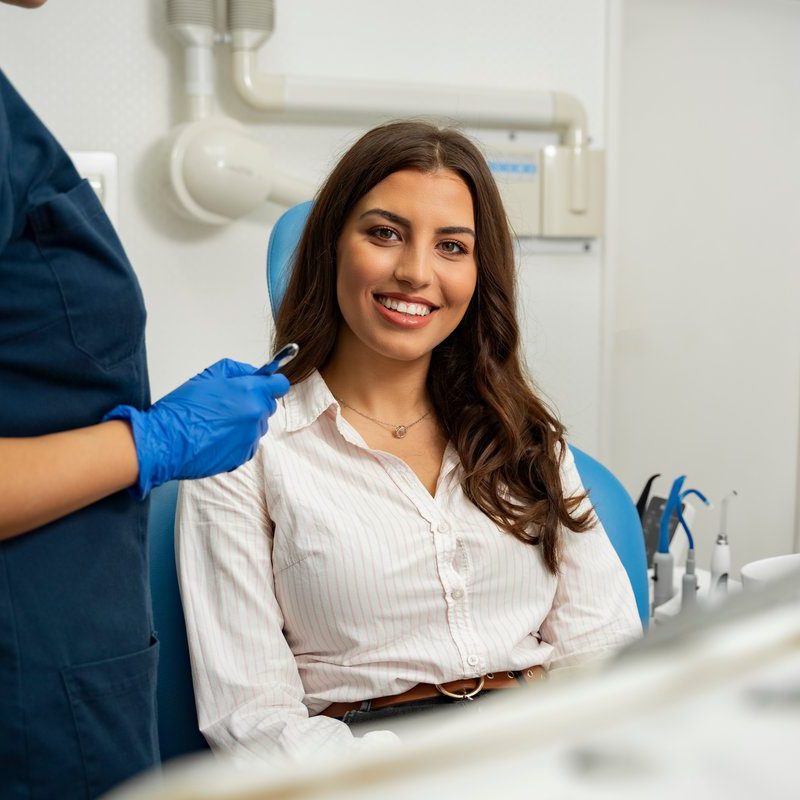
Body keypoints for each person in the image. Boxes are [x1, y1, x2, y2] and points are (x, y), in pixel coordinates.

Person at [176, 120, 643, 764]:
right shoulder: (240, 450)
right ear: (331, 247)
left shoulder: (526, 435)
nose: (416, 272)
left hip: (545, 757)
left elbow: (603, 652)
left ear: (480, 273)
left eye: (452, 246)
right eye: (385, 233)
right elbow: (252, 718)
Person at [0, 3, 289, 797]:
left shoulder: (529, 451)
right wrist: (152, 443)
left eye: (454, 245)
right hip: (29, 698)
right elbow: (258, 717)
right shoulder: (262, 472)